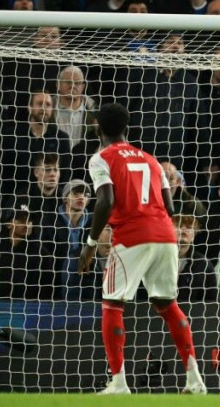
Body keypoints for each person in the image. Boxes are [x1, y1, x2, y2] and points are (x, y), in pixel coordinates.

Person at [77, 103, 206, 395]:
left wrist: (90, 244)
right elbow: (171, 206)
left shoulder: (100, 158)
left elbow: (106, 200)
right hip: (165, 235)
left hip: (131, 236)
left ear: (97, 128)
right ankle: (194, 378)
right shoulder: (151, 160)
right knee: (167, 304)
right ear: (127, 129)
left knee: (112, 303)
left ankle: (119, 382)